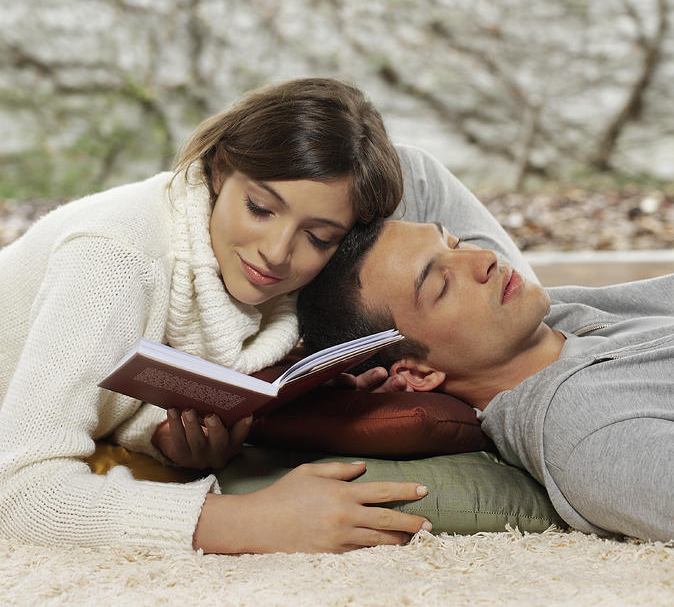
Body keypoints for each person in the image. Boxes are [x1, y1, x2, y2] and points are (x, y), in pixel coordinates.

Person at [0, 77, 531, 554]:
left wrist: (162, 433)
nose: (277, 252)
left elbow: (112, 374)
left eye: (319, 236)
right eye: (260, 208)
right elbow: (22, 490)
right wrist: (250, 521)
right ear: (220, 169)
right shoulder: (114, 258)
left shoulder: (287, 276)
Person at [297, 219, 674, 543]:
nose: (484, 259)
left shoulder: (530, 316)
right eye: (441, 285)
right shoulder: (587, 434)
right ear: (418, 373)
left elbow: (409, 165)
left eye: (455, 242)